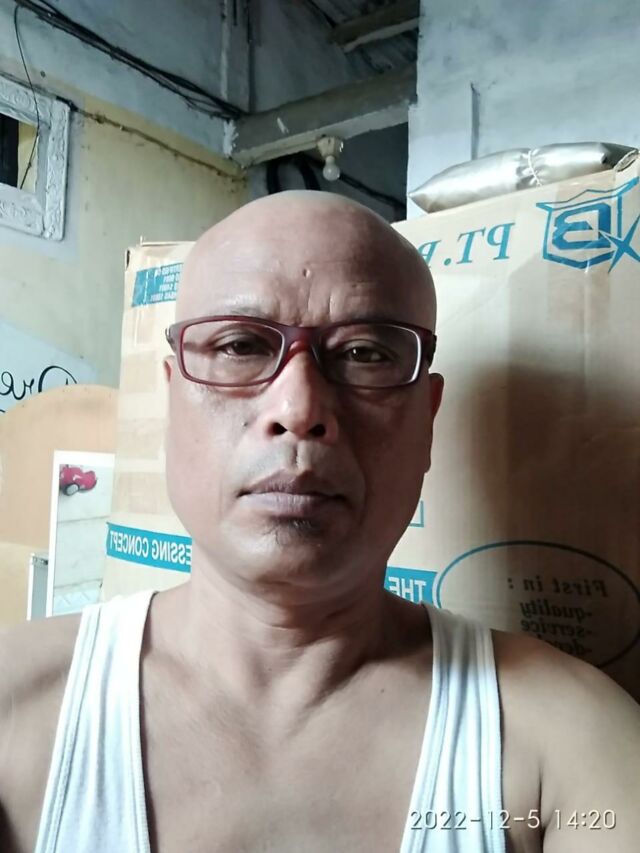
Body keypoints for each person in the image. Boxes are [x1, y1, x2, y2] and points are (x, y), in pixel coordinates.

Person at [1, 191, 638, 853]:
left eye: (365, 354)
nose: (299, 408)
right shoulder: (16, 706)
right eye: (240, 346)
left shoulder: (563, 744)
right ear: (171, 400)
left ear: (427, 419)